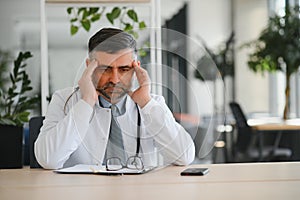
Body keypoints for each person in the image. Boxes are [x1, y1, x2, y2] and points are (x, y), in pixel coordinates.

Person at [35, 28, 195, 169]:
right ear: (88, 66)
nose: (115, 79)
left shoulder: (151, 103)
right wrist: (86, 102)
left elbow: (185, 156)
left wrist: (146, 104)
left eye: (124, 69)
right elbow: (48, 160)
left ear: (136, 68)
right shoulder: (65, 100)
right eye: (105, 69)